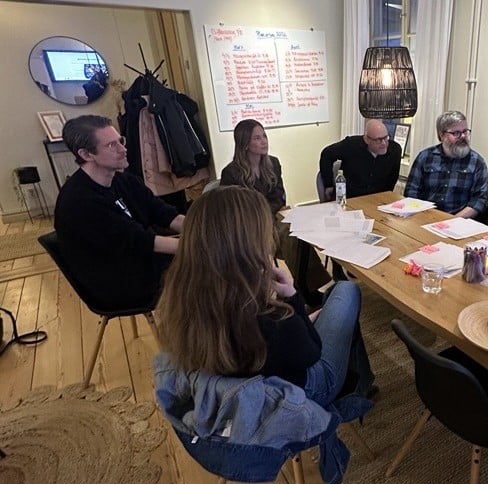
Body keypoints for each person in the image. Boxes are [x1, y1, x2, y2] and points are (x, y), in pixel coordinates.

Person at [154, 186, 375, 406]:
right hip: (301, 395)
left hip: (242, 389)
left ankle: (361, 381)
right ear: (248, 243)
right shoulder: (268, 316)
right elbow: (312, 352)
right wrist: (292, 298)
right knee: (345, 290)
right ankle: (357, 388)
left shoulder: (183, 295)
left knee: (330, 301)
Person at [54, 115, 184, 310]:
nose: (123, 149)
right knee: (208, 272)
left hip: (137, 260)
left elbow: (164, 213)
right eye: (111, 146)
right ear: (87, 154)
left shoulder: (123, 181)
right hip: (115, 281)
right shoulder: (79, 201)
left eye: (120, 141)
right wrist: (199, 245)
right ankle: (196, 335)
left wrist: (203, 231)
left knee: (215, 264)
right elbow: (141, 241)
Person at [220, 119, 331, 305]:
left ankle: (303, 287)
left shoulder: (273, 163)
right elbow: (235, 209)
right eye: (257, 138)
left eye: (264, 135)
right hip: (248, 224)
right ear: (244, 143)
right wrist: (267, 210)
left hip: (271, 216)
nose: (264, 141)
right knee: (282, 235)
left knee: (296, 232)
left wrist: (268, 208)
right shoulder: (231, 173)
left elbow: (280, 197)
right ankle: (298, 290)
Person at [404, 111, 488, 218]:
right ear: (441, 135)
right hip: (423, 217)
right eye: (456, 133)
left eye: (465, 131)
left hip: (458, 222)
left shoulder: (477, 162)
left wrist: (452, 220)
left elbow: (479, 201)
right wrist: (422, 216)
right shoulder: (425, 157)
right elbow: (411, 192)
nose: (463, 136)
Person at [319, 119, 402, 200]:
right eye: (378, 140)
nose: (384, 143)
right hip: (349, 198)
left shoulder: (395, 150)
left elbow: (392, 179)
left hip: (377, 200)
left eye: (385, 138)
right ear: (367, 139)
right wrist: (328, 184)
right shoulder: (351, 145)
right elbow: (327, 154)